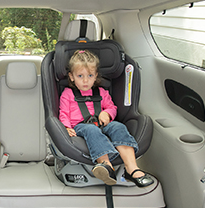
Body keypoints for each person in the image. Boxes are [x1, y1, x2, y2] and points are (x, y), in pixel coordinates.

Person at [59, 50, 153, 187]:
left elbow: (112, 107)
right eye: (80, 76)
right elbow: (63, 113)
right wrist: (66, 128)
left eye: (90, 75)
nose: (85, 80)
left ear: (96, 76)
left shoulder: (102, 92)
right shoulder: (67, 94)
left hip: (102, 124)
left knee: (118, 126)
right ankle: (106, 165)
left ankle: (132, 169)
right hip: (81, 127)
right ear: (71, 77)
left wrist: (107, 113)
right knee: (91, 130)